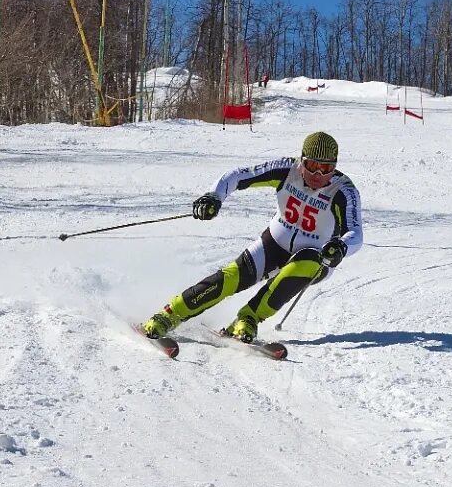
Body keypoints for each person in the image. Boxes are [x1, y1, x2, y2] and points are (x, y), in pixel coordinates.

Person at [141, 131, 363, 342]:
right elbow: (238, 176)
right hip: (275, 244)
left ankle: (248, 318)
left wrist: (341, 247)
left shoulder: (344, 191)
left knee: (304, 263)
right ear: (301, 160)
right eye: (312, 166)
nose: (318, 175)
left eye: (326, 168)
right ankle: (169, 315)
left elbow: (355, 234)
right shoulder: (287, 169)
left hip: (317, 258)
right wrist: (214, 196)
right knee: (230, 278)